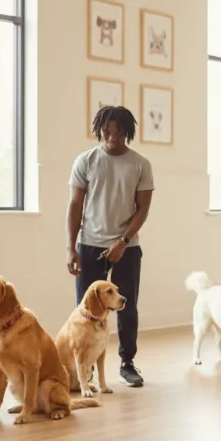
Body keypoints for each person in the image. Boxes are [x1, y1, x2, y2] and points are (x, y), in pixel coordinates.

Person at [66, 106, 154, 388]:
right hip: (89, 244)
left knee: (126, 308)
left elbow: (143, 209)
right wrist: (71, 248)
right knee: (87, 310)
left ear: (128, 132)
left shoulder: (140, 164)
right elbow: (75, 205)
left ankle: (127, 363)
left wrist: (123, 241)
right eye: (107, 131)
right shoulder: (86, 160)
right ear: (99, 131)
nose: (112, 137)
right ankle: (85, 369)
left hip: (127, 247)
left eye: (118, 132)